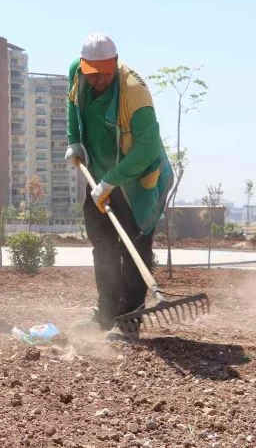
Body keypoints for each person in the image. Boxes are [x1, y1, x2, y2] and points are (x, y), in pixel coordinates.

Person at [65, 33, 172, 337]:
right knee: (103, 245)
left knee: (135, 245)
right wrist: (74, 142)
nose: (98, 79)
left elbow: (148, 147)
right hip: (99, 178)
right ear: (84, 66)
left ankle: (129, 318)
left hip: (137, 182)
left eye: (105, 72)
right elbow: (72, 105)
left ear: (115, 63)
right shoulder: (78, 73)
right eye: (92, 73)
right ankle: (105, 313)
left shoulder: (134, 91)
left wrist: (111, 180)